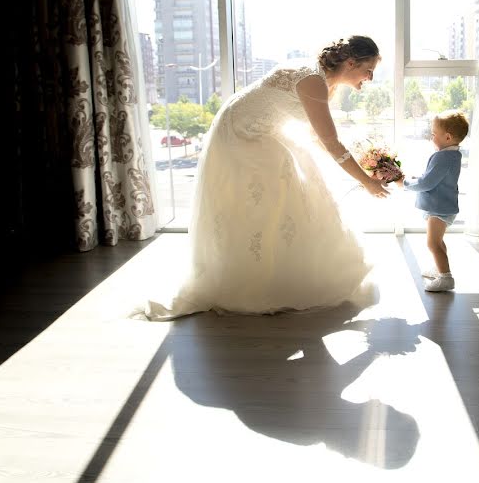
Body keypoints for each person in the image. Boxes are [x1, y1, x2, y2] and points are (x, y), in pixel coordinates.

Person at [140, 36, 389, 320]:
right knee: (272, 200)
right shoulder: (312, 80)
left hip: (262, 133)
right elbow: (331, 143)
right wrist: (365, 181)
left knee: (298, 189)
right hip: (241, 135)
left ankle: (281, 273)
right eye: (369, 70)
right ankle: (257, 281)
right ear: (351, 62)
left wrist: (361, 166)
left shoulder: (322, 81)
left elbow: (319, 138)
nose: (370, 78)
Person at [396, 112, 469, 292]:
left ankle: (446, 278)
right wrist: (416, 178)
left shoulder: (443, 157)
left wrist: (404, 183)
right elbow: (433, 178)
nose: (431, 136)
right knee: (438, 241)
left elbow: (427, 183)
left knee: (432, 243)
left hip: (439, 208)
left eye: (434, 133)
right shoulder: (452, 155)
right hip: (442, 205)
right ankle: (440, 268)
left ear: (448, 137)